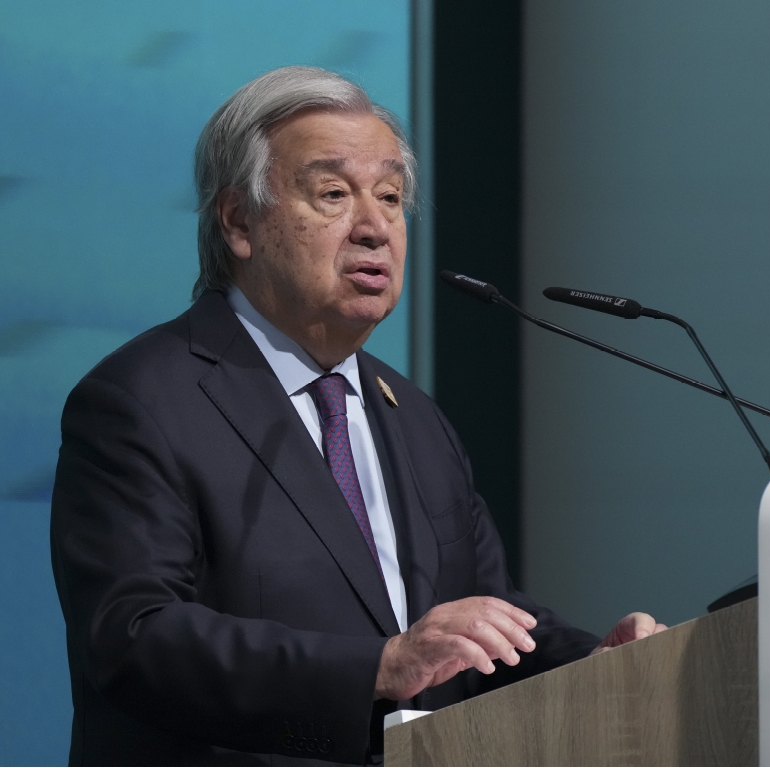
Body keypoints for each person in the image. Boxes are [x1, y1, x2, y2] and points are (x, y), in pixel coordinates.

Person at [50, 66, 664, 766]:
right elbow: (135, 639)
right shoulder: (141, 400)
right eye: (334, 194)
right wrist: (379, 666)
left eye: (392, 196)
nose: (375, 227)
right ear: (239, 221)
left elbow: (484, 618)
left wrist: (597, 664)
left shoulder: (414, 418)